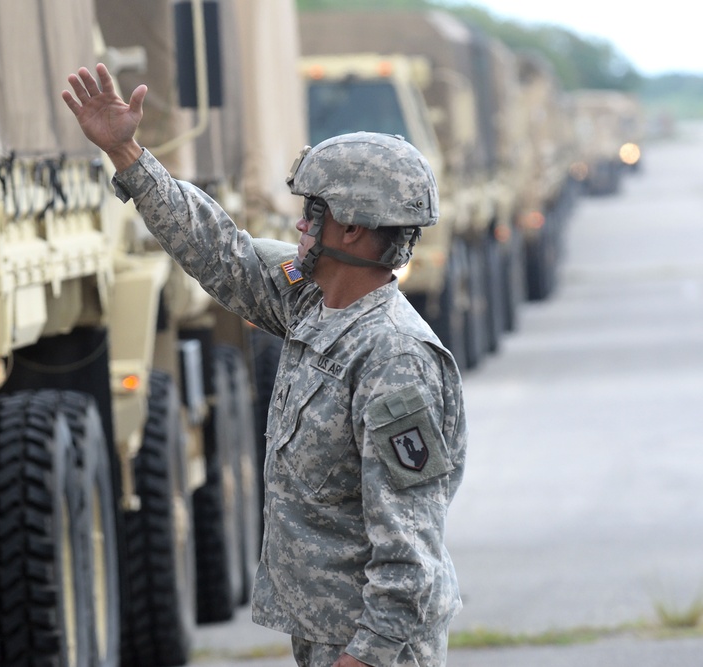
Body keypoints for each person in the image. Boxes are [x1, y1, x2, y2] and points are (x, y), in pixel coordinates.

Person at [63, 63, 467, 667]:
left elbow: (411, 548)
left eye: (314, 212)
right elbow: (219, 249)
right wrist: (126, 153)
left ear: (352, 229)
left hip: (371, 652)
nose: (301, 226)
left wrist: (367, 655)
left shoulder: (393, 357)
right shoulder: (314, 302)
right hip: (330, 637)